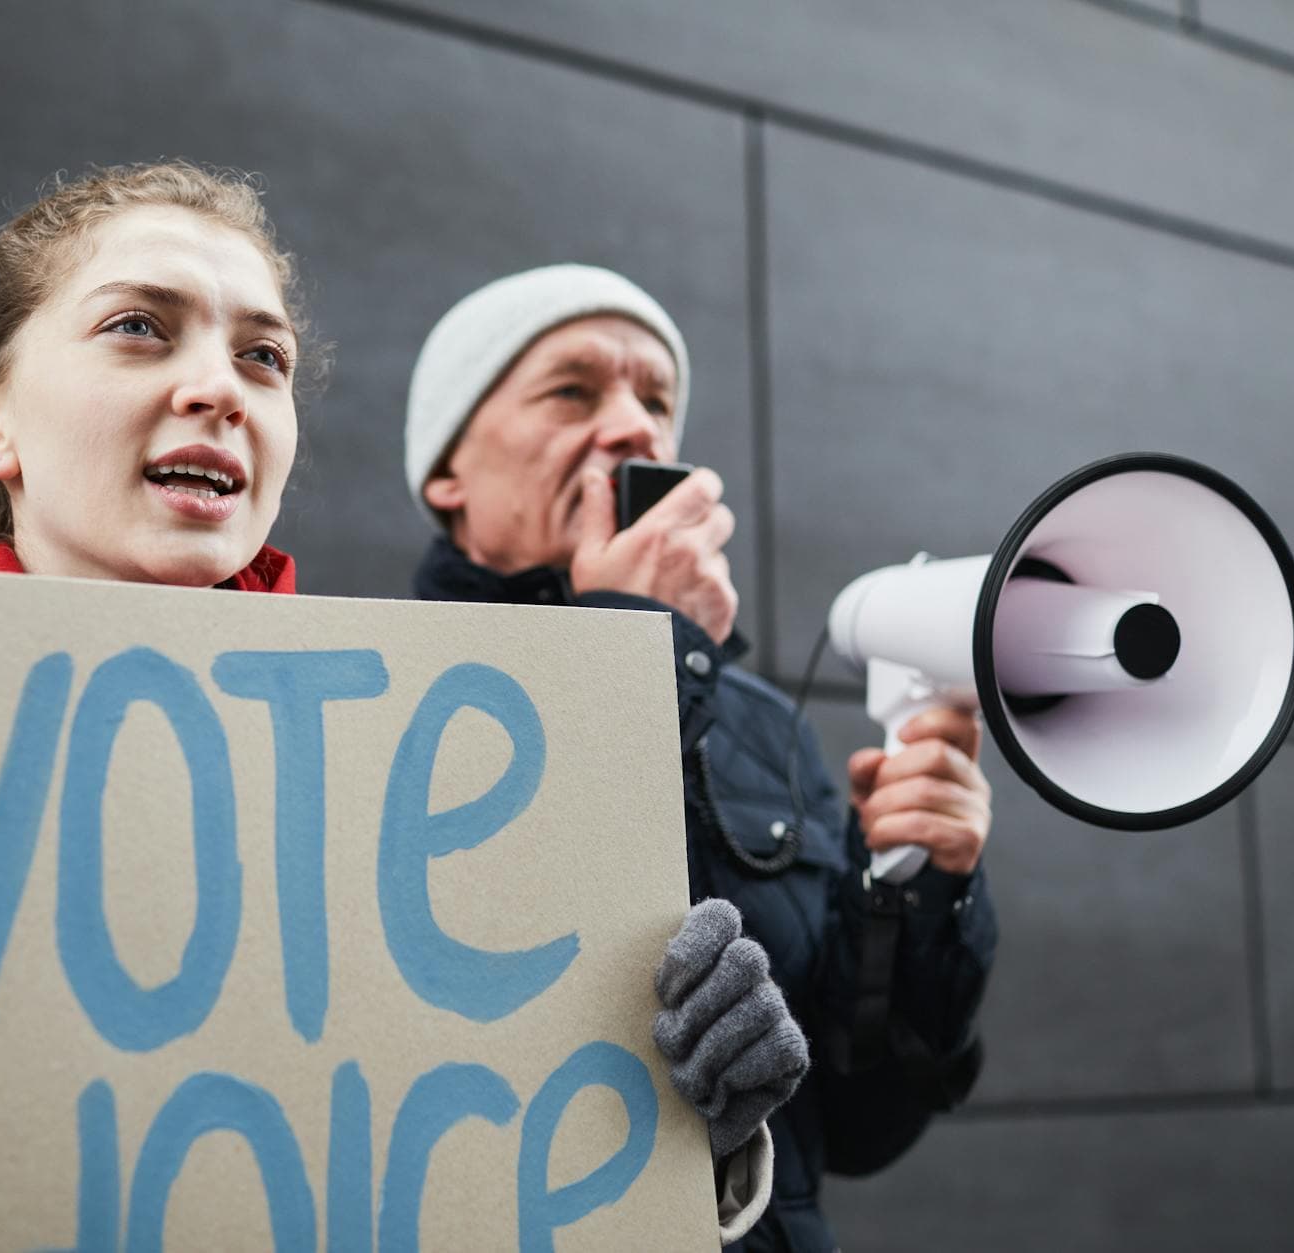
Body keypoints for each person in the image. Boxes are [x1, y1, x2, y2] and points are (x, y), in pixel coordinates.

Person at [0, 173, 802, 1251]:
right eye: (139, 326)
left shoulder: (431, 806)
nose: (222, 385)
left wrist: (700, 1141)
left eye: (265, 356)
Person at [405, 264, 999, 1252]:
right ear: (447, 472)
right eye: (572, 389)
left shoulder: (759, 721)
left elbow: (858, 1126)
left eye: (656, 399)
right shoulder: (379, 688)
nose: (633, 427)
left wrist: (919, 890)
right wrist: (631, 641)